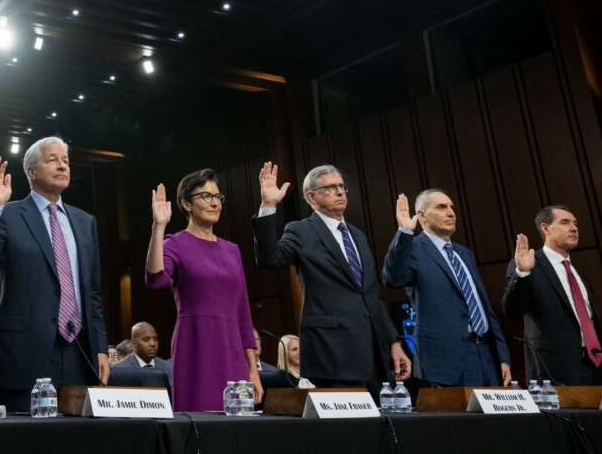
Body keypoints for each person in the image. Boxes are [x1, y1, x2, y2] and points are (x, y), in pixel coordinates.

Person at [0, 138, 110, 413]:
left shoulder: (85, 221)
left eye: (65, 160)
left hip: (79, 352)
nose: (62, 165)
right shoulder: (8, 214)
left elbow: (91, 292)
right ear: (31, 171)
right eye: (52, 159)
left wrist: (100, 347)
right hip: (23, 352)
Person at [252, 163, 411, 390]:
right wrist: (268, 206)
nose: (339, 192)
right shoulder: (300, 230)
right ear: (311, 197)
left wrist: (393, 341)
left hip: (375, 355)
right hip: (333, 353)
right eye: (330, 188)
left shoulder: (358, 236)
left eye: (341, 186)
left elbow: (371, 295)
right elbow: (270, 258)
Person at [146, 170, 261, 411]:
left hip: (233, 349)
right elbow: (156, 279)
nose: (214, 202)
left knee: (238, 422)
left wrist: (253, 369)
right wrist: (159, 226)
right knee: (199, 421)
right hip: (195, 345)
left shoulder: (232, 250)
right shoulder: (174, 243)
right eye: (206, 196)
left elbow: (243, 312)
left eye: (218, 197)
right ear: (186, 204)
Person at [382, 190, 511, 386]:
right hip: (445, 360)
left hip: (486, 356)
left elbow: (483, 307)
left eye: (452, 207)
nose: (451, 213)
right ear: (422, 215)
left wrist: (502, 357)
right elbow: (393, 278)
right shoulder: (413, 248)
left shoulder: (465, 253)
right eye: (441, 207)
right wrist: (405, 233)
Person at [502, 206, 602, 386]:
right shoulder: (528, 264)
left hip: (597, 370)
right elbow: (512, 311)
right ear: (545, 228)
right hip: (555, 376)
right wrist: (523, 273)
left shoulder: (577, 272)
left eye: (575, 223)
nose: (574, 228)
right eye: (565, 222)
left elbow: (591, 324)